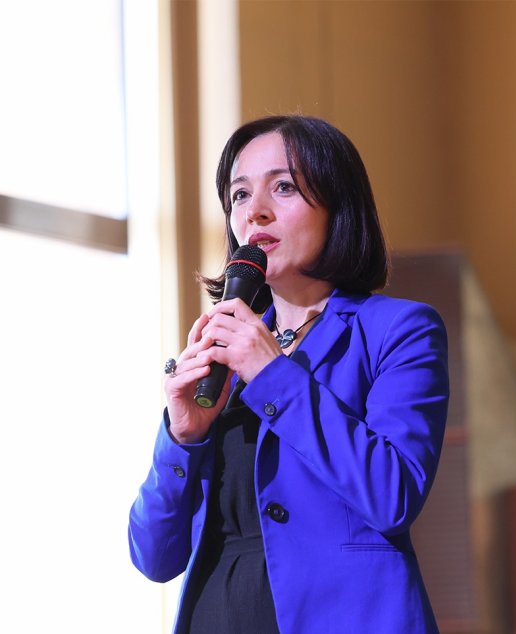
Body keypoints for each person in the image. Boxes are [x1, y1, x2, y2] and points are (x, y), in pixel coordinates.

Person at [128, 115, 449, 633]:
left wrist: (272, 373)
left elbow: (392, 495)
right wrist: (182, 437)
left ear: (338, 206)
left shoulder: (399, 330)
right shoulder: (225, 353)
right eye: (239, 194)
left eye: (283, 187)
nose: (254, 211)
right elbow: (153, 556)